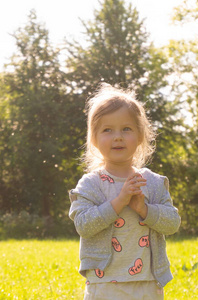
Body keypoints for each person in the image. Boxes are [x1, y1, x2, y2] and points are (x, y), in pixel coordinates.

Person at [69, 83, 181, 300]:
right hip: (104, 282)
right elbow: (83, 225)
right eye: (107, 130)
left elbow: (172, 223)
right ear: (94, 139)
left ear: (140, 136)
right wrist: (119, 201)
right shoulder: (91, 184)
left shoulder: (153, 182)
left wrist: (144, 209)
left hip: (147, 282)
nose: (117, 137)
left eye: (126, 129)